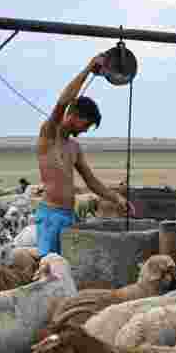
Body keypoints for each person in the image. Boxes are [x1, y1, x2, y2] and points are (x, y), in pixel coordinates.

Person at [34, 53, 133, 254]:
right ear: (74, 115)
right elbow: (63, 102)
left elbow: (91, 181)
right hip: (50, 216)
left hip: (68, 216)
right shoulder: (49, 135)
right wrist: (88, 69)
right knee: (50, 271)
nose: (85, 130)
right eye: (86, 124)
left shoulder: (74, 147)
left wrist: (116, 198)